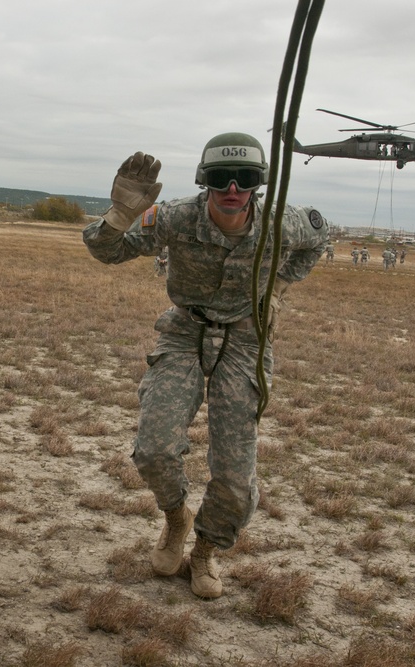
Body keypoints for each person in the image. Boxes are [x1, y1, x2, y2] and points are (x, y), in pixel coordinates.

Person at [82, 133, 327, 599]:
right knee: (154, 448)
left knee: (236, 476)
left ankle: (206, 551)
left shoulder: (283, 224)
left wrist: (276, 288)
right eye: (220, 179)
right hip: (184, 331)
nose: (232, 189)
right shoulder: (175, 217)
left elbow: (320, 238)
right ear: (204, 181)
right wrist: (119, 214)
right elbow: (107, 251)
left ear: (260, 183)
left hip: (244, 339)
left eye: (246, 179)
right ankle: (177, 518)